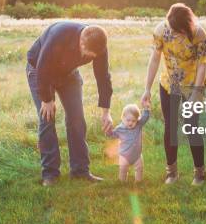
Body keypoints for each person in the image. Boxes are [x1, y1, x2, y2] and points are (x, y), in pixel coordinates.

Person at [26, 21, 114, 186]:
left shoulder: (99, 45)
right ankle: (50, 174)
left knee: (77, 119)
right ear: (81, 42)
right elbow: (42, 66)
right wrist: (47, 99)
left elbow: (103, 77)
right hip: (39, 70)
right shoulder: (59, 34)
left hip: (68, 73)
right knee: (47, 118)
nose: (90, 58)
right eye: (88, 54)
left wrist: (106, 112)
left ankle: (80, 171)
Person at [141, 3, 206, 186]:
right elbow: (155, 58)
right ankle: (171, 173)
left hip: (192, 85)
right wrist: (147, 88)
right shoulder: (161, 30)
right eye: (173, 29)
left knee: (191, 126)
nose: (175, 33)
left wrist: (196, 93)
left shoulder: (199, 34)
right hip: (169, 85)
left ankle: (200, 173)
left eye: (179, 30)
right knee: (170, 128)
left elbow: (202, 64)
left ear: (187, 23)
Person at [107, 104, 150, 183]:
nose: (130, 123)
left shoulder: (138, 125)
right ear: (122, 118)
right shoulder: (120, 129)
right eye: (128, 120)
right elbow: (112, 135)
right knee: (123, 168)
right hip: (124, 155)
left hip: (137, 155)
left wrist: (146, 109)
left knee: (139, 168)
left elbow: (145, 118)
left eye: (133, 121)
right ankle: (122, 182)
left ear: (137, 120)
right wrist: (108, 131)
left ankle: (138, 181)